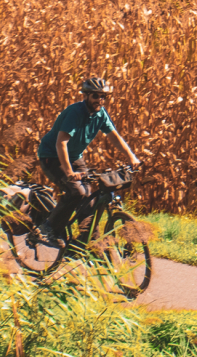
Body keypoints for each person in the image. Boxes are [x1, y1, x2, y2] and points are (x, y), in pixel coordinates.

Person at [35, 76, 141, 244]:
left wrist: (131, 157)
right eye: (95, 96)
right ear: (86, 96)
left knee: (90, 198)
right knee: (76, 191)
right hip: (52, 156)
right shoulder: (75, 112)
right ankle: (48, 228)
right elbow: (61, 143)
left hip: (75, 157)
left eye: (103, 96)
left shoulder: (101, 114)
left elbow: (114, 137)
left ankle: (84, 240)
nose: (100, 100)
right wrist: (69, 172)